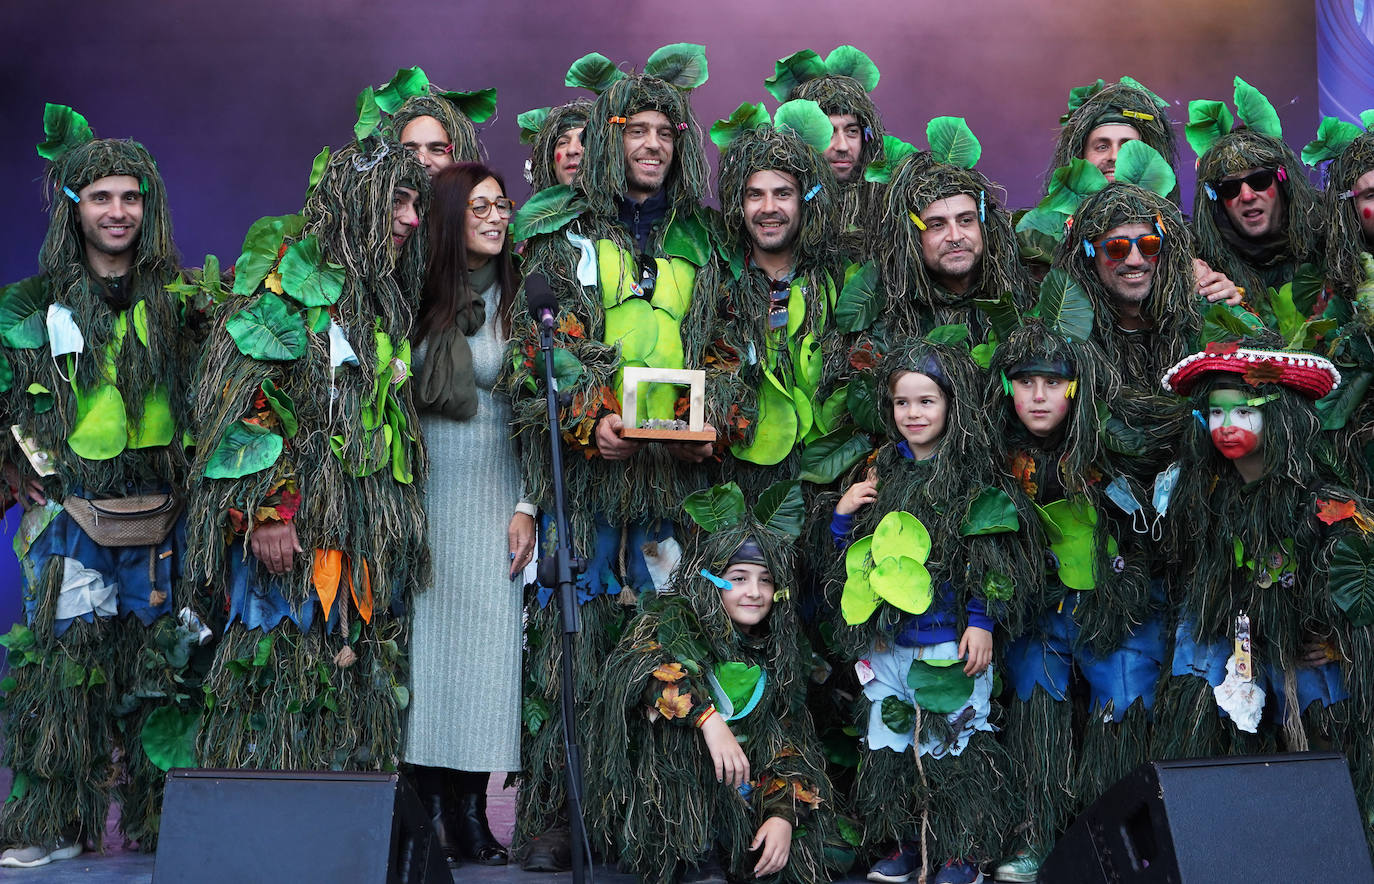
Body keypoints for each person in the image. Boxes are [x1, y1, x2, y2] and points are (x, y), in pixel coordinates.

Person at [502, 44, 719, 872]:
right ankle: (562, 814)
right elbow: (537, 351)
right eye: (638, 130)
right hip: (589, 479)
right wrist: (589, 420)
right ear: (609, 139)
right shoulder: (562, 234)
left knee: (666, 642)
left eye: (667, 131)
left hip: (674, 481)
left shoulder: (704, 239)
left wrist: (713, 420)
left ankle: (658, 817)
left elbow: (727, 344)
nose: (653, 144)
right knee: (573, 650)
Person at [185, 131, 430, 773]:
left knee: (351, 674)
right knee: (280, 668)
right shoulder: (283, 287)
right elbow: (243, 404)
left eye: (416, 206)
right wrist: (268, 510)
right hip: (297, 530)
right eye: (397, 203)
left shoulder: (384, 295)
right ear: (355, 199)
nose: (409, 219)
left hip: (363, 528)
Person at [0, 106, 203, 866]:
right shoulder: (31, 308)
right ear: (74, 206)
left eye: (131, 197)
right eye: (101, 197)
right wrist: (16, 470)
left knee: (165, 673)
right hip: (72, 515)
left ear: (148, 206)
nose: (118, 212)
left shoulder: (183, 301)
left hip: (164, 514)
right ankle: (52, 822)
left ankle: (161, 823)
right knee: (64, 671)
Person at [830, 339, 1031, 884]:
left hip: (949, 636)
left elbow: (990, 555)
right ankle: (905, 844)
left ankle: (958, 851)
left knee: (955, 740)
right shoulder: (883, 471)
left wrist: (982, 621)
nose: (913, 414)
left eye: (926, 402)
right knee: (894, 740)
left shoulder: (969, 473)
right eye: (901, 403)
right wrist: (843, 515)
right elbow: (856, 558)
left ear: (950, 405)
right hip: (891, 638)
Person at [586, 480, 839, 884]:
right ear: (712, 580)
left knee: (826, 851)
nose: (754, 592)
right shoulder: (673, 618)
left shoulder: (779, 651)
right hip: (678, 788)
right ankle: (693, 849)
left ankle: (741, 842)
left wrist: (783, 814)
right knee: (672, 730)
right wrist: (708, 720)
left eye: (765, 580)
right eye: (738, 578)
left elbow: (790, 738)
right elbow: (641, 669)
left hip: (743, 785)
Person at [989, 311, 1162, 883]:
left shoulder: (1110, 444)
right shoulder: (994, 452)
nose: (1038, 396)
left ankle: (1120, 846)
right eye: (1024, 381)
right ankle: (1036, 834)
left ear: (1078, 386)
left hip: (1115, 604)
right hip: (1038, 608)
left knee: (1121, 704)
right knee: (1036, 704)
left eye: (1054, 383)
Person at [404, 162, 525, 866]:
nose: (496, 215)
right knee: (428, 659)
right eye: (479, 205)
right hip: (424, 493)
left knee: (485, 662)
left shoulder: (521, 297)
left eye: (501, 204)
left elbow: (542, 416)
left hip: (494, 497)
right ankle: (426, 813)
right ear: (449, 215)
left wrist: (529, 505)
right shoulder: (413, 296)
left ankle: (472, 814)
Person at [705, 101, 842, 493]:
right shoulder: (714, 286)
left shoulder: (837, 282)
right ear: (739, 203)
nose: (768, 208)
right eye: (755, 195)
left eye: (782, 194)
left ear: (804, 200)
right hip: (735, 483)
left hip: (826, 485)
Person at [1190, 78, 1324, 323]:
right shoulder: (1203, 263)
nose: (1247, 196)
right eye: (1230, 188)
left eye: (1260, 180)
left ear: (1282, 182)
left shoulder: (1328, 241)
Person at [765, 45, 887, 258]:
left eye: (852, 131)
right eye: (828, 132)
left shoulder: (889, 208)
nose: (842, 146)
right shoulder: (775, 207)